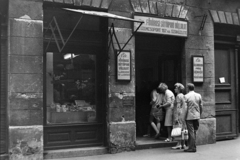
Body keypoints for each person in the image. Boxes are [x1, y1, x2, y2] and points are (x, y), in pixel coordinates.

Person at [184, 83, 203, 152]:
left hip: (189, 116)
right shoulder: (198, 95)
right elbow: (201, 106)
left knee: (191, 132)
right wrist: (199, 114)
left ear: (188, 88)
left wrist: (184, 117)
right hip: (197, 115)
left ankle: (192, 147)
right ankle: (193, 146)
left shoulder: (186, 96)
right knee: (194, 131)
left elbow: (185, 108)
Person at [172, 83, 187, 149]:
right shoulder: (183, 95)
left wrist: (176, 117)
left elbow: (178, 107)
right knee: (182, 129)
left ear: (178, 89)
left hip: (179, 114)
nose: (174, 89)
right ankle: (183, 144)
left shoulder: (178, 96)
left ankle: (179, 144)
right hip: (183, 114)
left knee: (178, 128)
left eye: (175, 88)